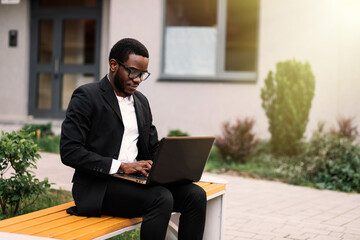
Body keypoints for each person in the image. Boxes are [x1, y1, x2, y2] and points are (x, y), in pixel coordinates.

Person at [60, 38, 207, 240]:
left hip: (135, 181)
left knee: (195, 195)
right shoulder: (86, 96)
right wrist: (122, 167)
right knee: (161, 198)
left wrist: (174, 165)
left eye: (142, 74)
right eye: (133, 72)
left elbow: (152, 146)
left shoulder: (141, 102)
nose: (137, 79)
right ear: (113, 65)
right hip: (100, 187)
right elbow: (70, 151)